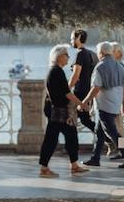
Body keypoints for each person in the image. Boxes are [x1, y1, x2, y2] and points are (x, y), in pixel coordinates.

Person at [81, 41, 124, 168]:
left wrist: (84, 102)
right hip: (115, 105)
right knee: (99, 132)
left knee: (112, 133)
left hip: (104, 105)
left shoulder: (100, 67)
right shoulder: (120, 66)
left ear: (101, 53)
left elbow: (96, 88)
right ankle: (95, 158)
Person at [38, 45, 89, 177]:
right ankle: (46, 168)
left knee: (64, 137)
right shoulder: (57, 71)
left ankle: (73, 165)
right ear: (59, 56)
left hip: (56, 110)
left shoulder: (54, 71)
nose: (68, 57)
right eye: (66, 54)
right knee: (55, 139)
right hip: (59, 112)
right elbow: (67, 93)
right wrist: (82, 104)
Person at [68, 29, 98, 133]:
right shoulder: (90, 54)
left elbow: (76, 75)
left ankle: (109, 138)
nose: (71, 41)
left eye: (72, 39)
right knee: (84, 120)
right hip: (88, 91)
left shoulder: (80, 54)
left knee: (81, 120)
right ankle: (107, 139)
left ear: (79, 38)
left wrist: (66, 89)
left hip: (80, 93)